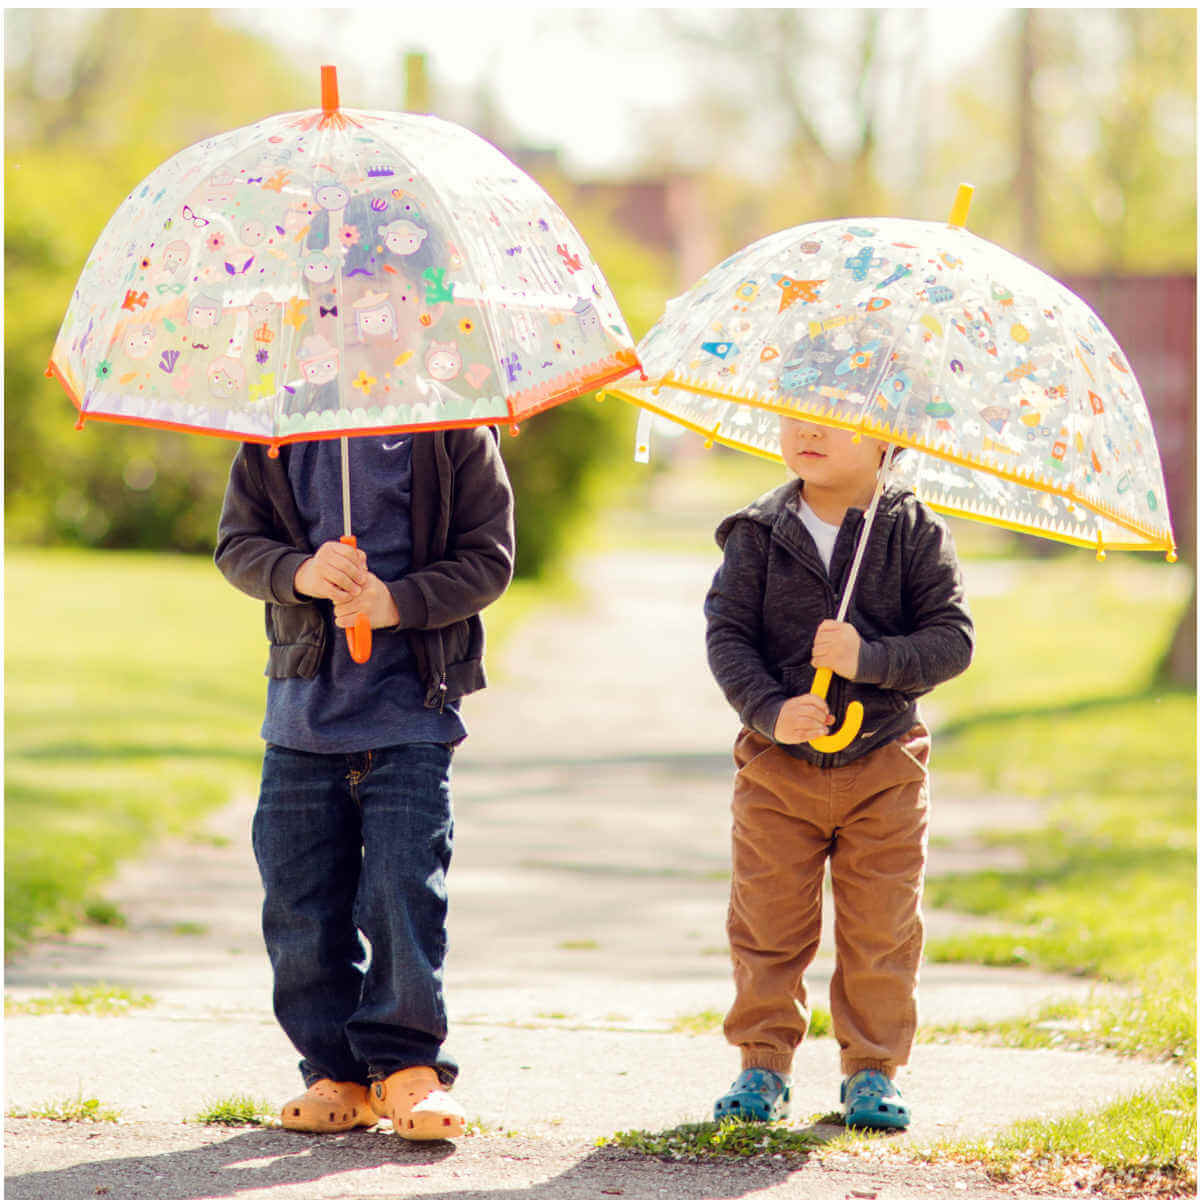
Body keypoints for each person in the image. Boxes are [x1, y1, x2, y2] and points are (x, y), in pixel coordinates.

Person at [214, 426, 515, 1140]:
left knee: (401, 893)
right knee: (300, 908)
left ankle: (407, 1065)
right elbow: (237, 546)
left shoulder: (455, 430)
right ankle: (336, 1070)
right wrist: (300, 573)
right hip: (301, 725)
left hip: (411, 719)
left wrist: (396, 602)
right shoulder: (276, 434)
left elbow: (488, 560)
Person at [703, 416, 974, 1131]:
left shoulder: (913, 532)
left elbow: (952, 641)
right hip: (778, 767)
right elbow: (728, 636)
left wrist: (867, 659)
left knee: (881, 926)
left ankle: (872, 1068)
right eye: (796, 415)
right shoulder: (758, 532)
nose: (808, 432)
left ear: (886, 435)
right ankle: (763, 1061)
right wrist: (769, 710)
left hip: (884, 762)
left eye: (833, 421)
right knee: (767, 920)